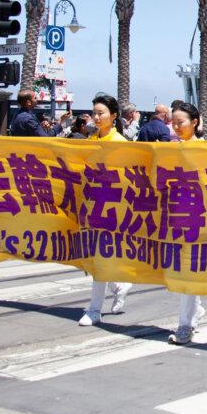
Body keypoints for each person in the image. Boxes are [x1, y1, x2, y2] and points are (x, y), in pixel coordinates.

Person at [79, 94, 134, 326]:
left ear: (113, 116)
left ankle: (94, 309)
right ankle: (118, 286)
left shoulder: (119, 142)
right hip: (90, 203)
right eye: (94, 113)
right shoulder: (90, 139)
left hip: (111, 206)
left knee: (100, 257)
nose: (96, 117)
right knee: (94, 256)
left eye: (101, 113)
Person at [167, 102, 207, 344]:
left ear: (194, 122)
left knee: (189, 270)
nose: (176, 126)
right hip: (175, 214)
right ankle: (195, 310)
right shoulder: (170, 148)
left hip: (196, 216)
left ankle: (186, 324)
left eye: (180, 122)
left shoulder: (203, 148)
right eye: (173, 122)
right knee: (183, 269)